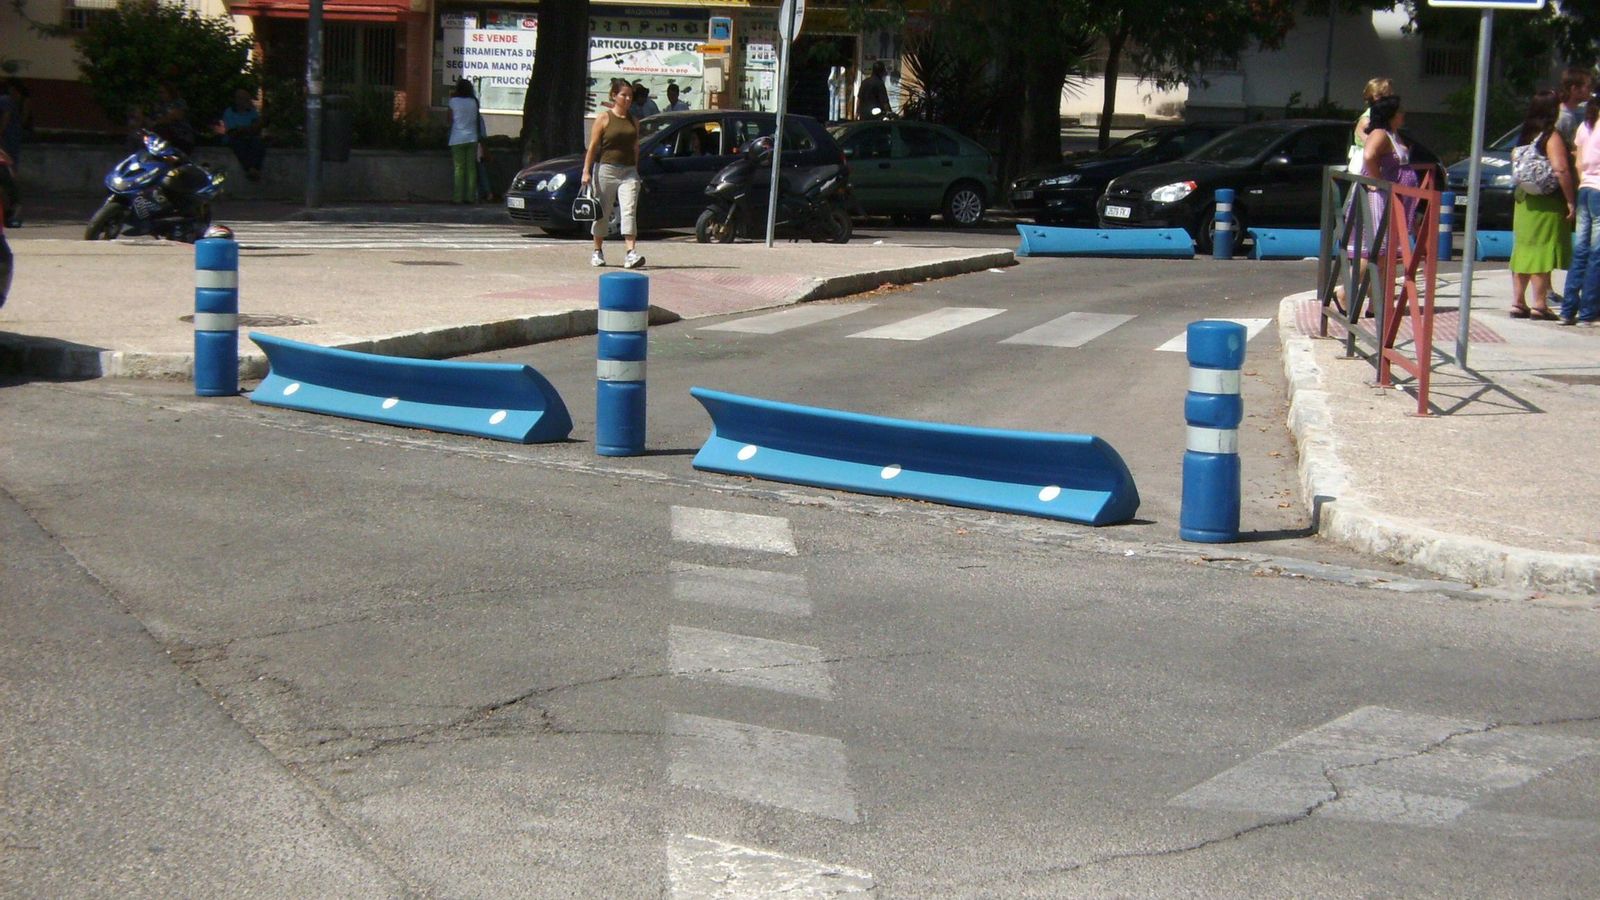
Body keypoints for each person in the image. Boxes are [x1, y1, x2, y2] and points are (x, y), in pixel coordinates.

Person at [1334, 94, 1418, 317]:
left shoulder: (1392, 134)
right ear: (1391, 114)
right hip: (1378, 200)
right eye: (1400, 111)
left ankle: (1377, 303)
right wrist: (1376, 180)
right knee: (1374, 251)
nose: (1403, 115)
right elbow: (1369, 155)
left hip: (1392, 200)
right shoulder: (1380, 133)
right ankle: (1344, 293)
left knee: (1385, 254)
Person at [1509, 89, 1575, 320]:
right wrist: (1570, 200)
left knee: (1523, 250)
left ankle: (1518, 302)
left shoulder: (1525, 134)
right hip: (1546, 202)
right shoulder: (1551, 136)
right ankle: (1539, 303)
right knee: (1541, 251)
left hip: (1524, 200)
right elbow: (1560, 169)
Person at [580, 80, 645, 269]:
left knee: (629, 210)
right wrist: (586, 171)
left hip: (628, 171)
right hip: (606, 169)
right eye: (623, 95)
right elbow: (593, 146)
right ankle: (597, 251)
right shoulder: (604, 118)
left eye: (630, 96)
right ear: (614, 96)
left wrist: (636, 169)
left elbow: (635, 147)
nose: (627, 99)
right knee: (603, 212)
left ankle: (630, 253)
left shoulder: (634, 121)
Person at [1561, 87, 1600, 326]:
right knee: (1597, 253)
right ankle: (1588, 312)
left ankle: (1567, 310)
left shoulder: (1585, 125)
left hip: (1585, 188)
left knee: (1582, 250)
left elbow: (1578, 162)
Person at [447, 79, 481, 204]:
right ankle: (470, 197)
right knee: (471, 169)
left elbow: (449, 119)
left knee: (459, 169)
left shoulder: (453, 101)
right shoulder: (474, 102)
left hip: (457, 138)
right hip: (472, 138)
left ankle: (457, 198)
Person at [0, 79, 28, 228]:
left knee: (8, 174)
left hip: (7, 140)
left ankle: (11, 211)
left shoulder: (4, 100)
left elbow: (5, 117)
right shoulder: (10, 100)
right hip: (11, 140)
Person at [222, 88, 266, 182]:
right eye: (242, 98)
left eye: (246, 98)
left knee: (258, 143)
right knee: (238, 144)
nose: (245, 101)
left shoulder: (252, 112)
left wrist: (246, 129)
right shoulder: (229, 112)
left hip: (250, 136)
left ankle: (254, 168)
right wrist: (247, 129)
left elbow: (257, 127)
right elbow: (233, 131)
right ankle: (250, 168)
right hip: (235, 138)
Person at [149, 83, 195, 154]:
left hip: (181, 137)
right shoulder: (159, 105)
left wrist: (157, 122)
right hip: (163, 139)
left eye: (162, 92)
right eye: (159, 93)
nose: (160, 95)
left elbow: (173, 117)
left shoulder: (179, 103)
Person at [1556, 66, 1592, 148]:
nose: (1591, 90)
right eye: (1588, 87)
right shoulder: (1562, 118)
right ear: (1574, 89)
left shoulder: (1583, 110)